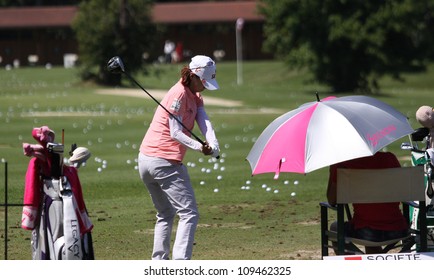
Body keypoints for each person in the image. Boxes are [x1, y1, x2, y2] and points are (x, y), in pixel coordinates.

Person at [138, 55, 220, 260]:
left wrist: (214, 143)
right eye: (203, 82)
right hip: (162, 161)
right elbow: (175, 132)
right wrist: (200, 147)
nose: (204, 86)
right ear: (193, 76)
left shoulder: (195, 95)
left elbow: (204, 120)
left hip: (147, 160)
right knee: (189, 213)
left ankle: (159, 264)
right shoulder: (179, 95)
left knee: (165, 213)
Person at [327, 151, 409, 254]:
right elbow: (402, 191)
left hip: (365, 232)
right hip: (398, 229)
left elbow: (332, 199)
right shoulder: (389, 158)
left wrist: (332, 171)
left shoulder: (342, 164)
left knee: (335, 228)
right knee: (369, 227)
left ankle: (364, 263)